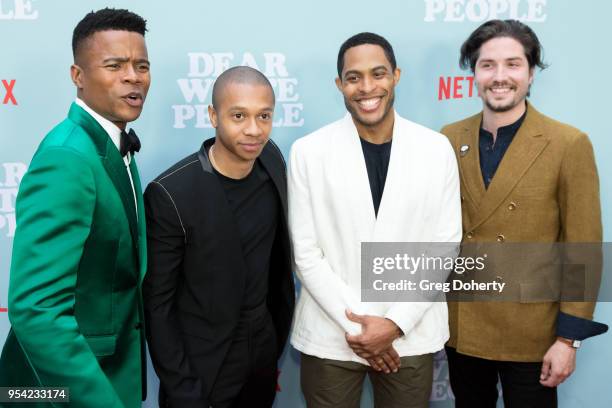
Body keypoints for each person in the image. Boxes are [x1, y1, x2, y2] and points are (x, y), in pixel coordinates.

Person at [288, 32, 461, 408]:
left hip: (409, 335)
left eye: (378, 73)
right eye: (354, 77)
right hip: (333, 336)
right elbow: (305, 253)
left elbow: (444, 247)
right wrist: (361, 329)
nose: (367, 87)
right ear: (340, 84)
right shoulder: (308, 152)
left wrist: (393, 324)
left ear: (396, 75)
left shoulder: (436, 149)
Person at [441, 19, 608, 408]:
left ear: (531, 74)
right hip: (462, 329)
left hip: (534, 336)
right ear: (474, 74)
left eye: (513, 64)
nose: (500, 77)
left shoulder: (568, 143)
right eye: (488, 65)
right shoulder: (448, 138)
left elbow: (583, 249)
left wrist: (568, 339)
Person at [0, 8, 151, 407]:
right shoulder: (67, 158)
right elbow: (36, 309)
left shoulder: (112, 146)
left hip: (112, 375)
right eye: (114, 65)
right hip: (63, 391)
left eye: (141, 65)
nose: (133, 76)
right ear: (77, 76)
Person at [144, 66, 294, 408]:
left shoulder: (271, 161)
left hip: (262, 355)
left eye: (264, 116)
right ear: (213, 115)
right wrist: (183, 387)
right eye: (238, 115)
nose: (254, 130)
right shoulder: (171, 192)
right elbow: (158, 305)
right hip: (203, 364)